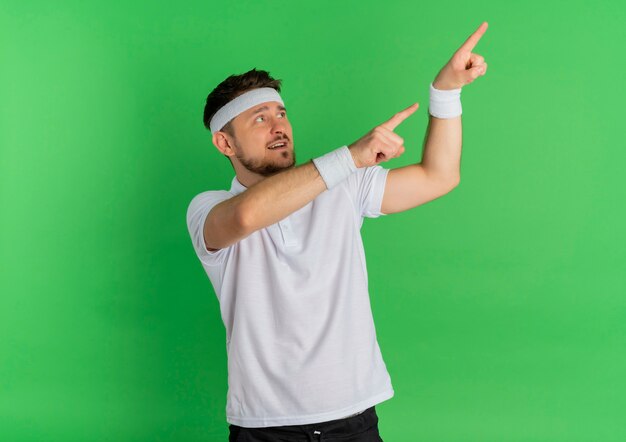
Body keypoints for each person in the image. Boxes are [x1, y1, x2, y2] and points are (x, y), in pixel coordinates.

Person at [186, 22, 488, 442]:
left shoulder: (345, 186)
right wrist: (351, 157)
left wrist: (446, 92)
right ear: (225, 144)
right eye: (259, 118)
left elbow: (439, 176)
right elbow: (246, 217)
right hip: (263, 428)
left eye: (281, 113)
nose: (279, 126)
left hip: (354, 419)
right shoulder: (208, 209)